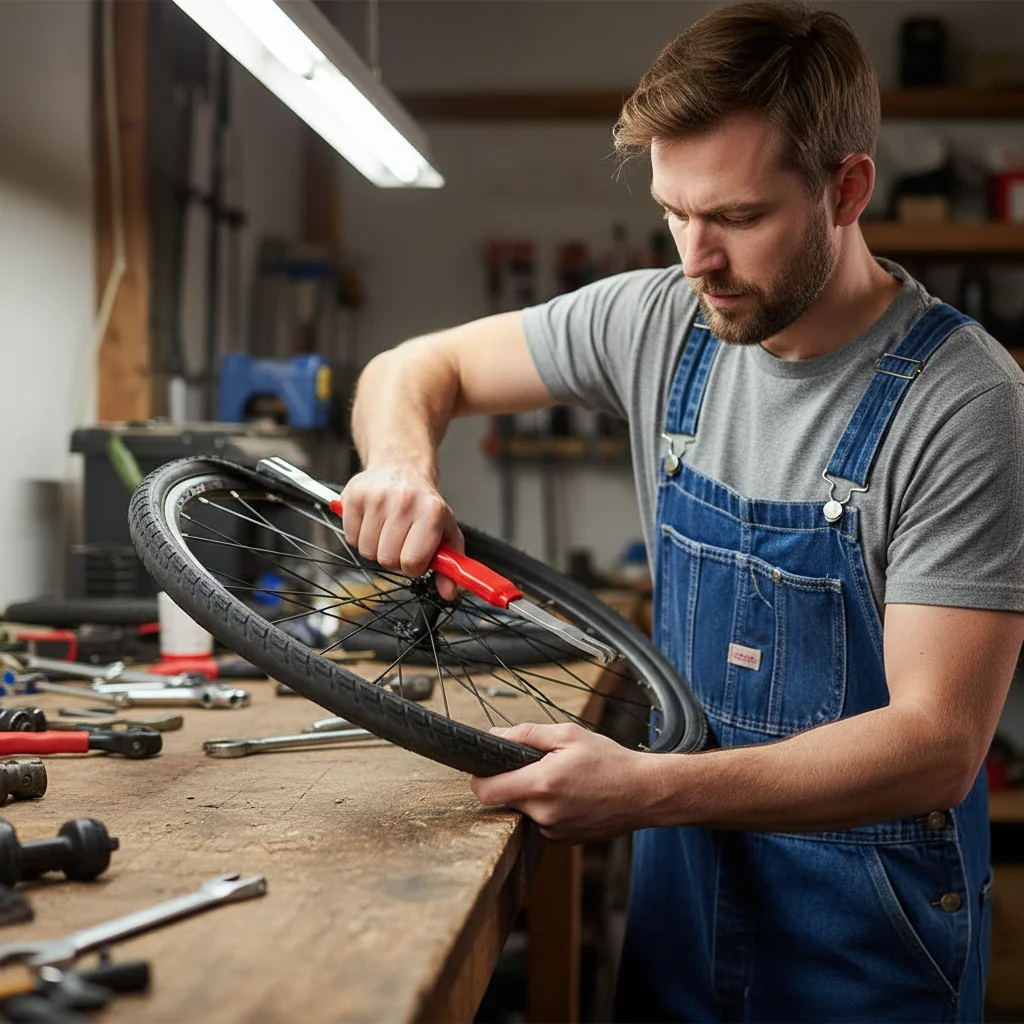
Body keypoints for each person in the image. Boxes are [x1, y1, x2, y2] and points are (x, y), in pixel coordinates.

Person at [341, 2, 1024, 1019]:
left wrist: (645, 790)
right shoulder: (661, 319)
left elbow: (937, 746)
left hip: (863, 940)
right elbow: (412, 366)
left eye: (738, 218)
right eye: (674, 211)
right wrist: (402, 467)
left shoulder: (966, 402)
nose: (696, 258)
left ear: (847, 190)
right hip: (683, 907)